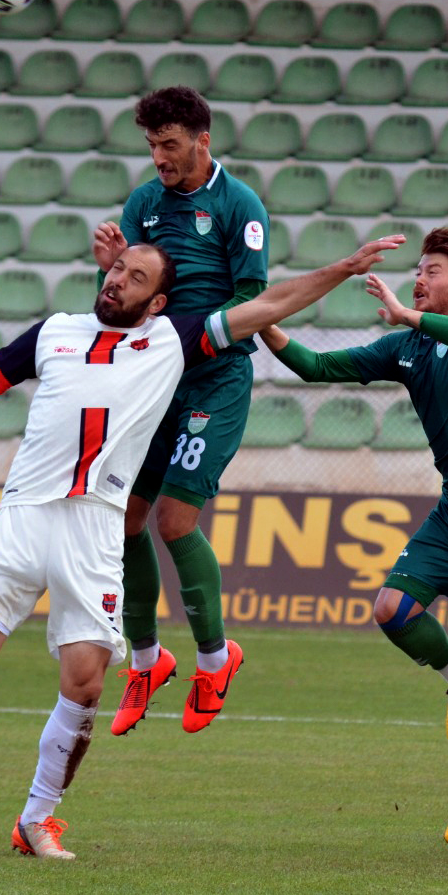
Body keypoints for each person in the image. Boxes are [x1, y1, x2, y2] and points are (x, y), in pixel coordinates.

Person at [0, 236, 404, 859]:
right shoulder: (55, 332)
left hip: (95, 527)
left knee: (86, 683)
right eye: (117, 268)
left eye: (135, 276)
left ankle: (37, 819)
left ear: (157, 302)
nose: (117, 279)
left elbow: (269, 303)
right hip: (24, 514)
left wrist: (342, 268)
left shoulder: (172, 340)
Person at [260, 228, 448, 847]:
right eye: (419, 269)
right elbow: (315, 366)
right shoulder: (407, 346)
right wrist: (262, 322)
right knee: (391, 608)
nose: (421, 277)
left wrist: (405, 311)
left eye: (434, 270)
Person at [90, 86, 270, 736]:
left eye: (169, 145)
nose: (159, 158)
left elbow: (252, 296)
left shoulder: (238, 205)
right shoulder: (143, 203)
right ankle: (147, 661)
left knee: (172, 519)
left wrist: (194, 334)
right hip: (154, 380)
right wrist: (112, 270)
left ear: (203, 141)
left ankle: (217, 659)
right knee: (126, 519)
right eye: (151, 146)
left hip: (215, 379)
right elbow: (123, 296)